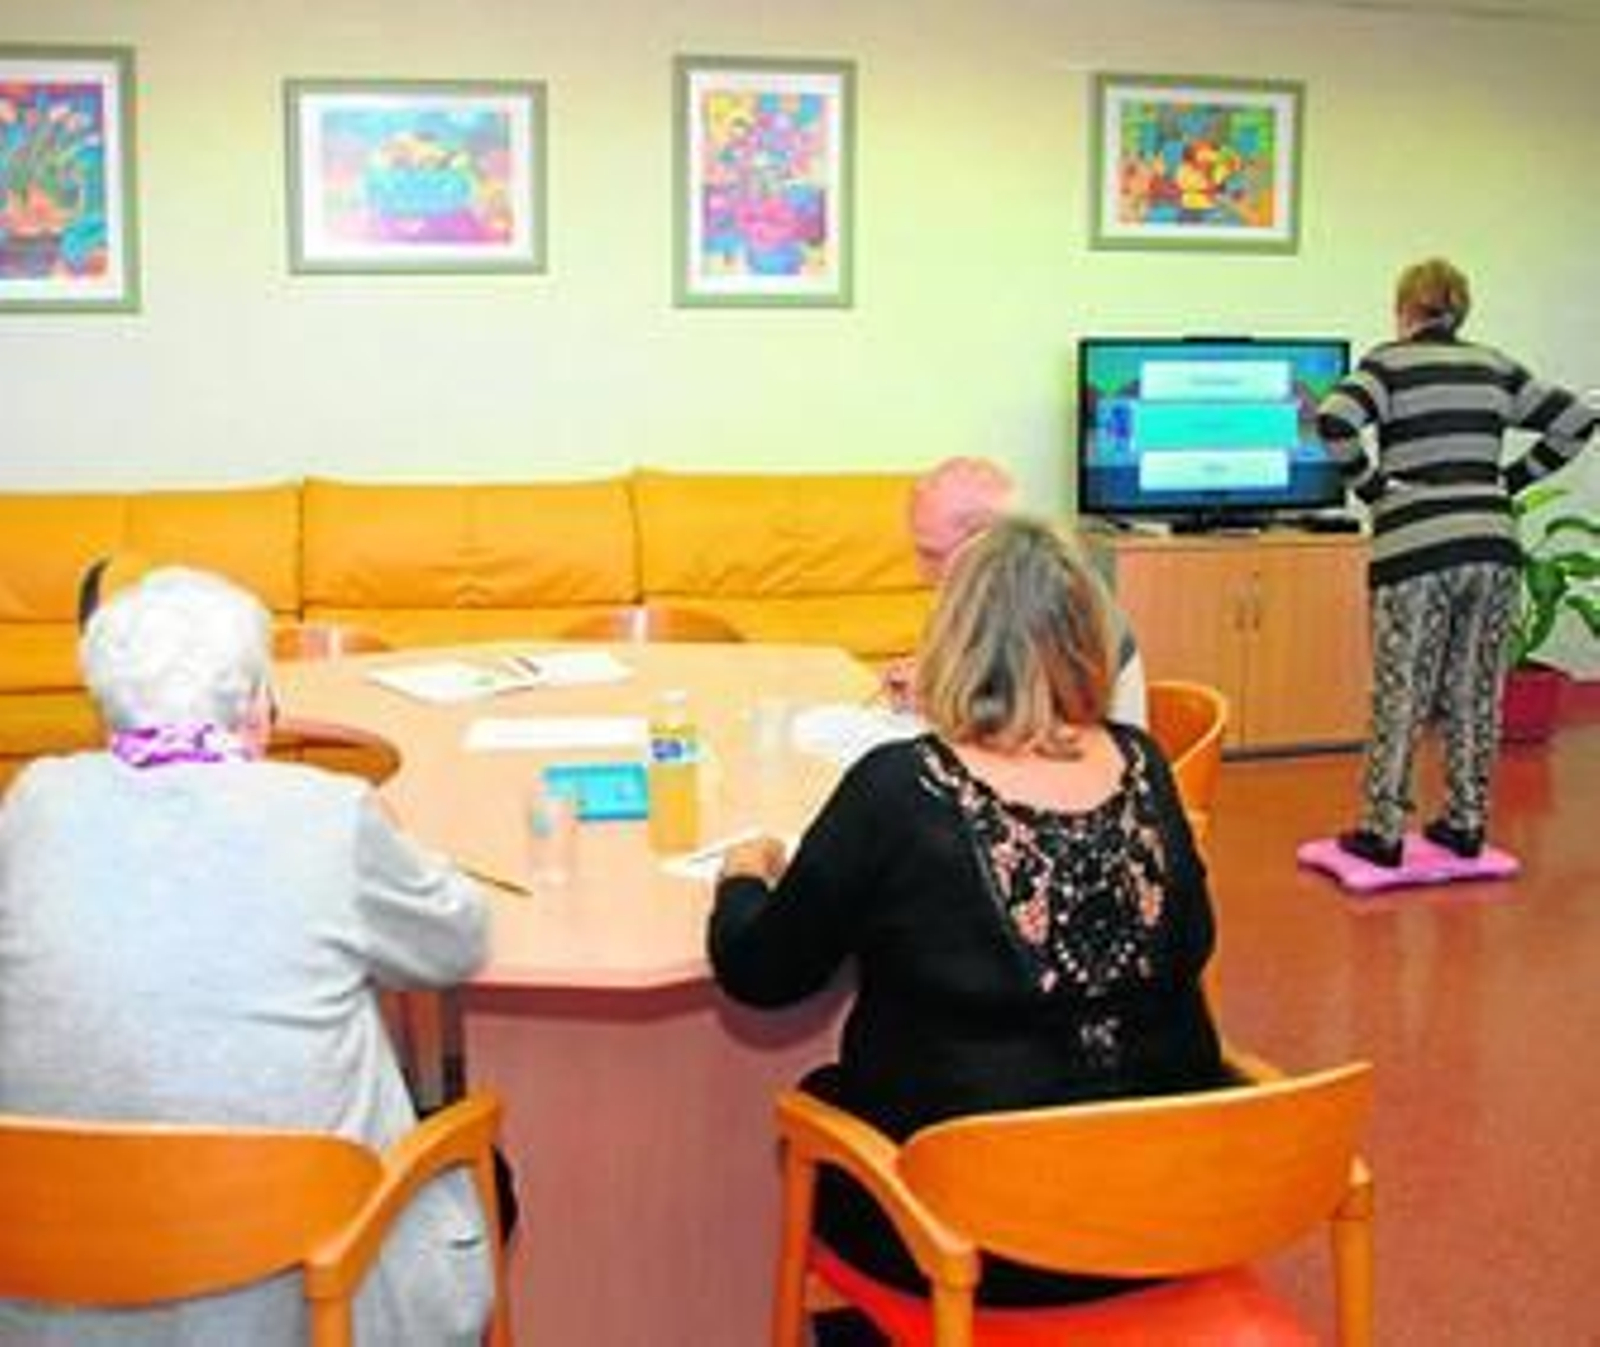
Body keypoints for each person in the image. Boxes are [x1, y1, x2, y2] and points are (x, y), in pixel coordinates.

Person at [710, 518, 1226, 1342]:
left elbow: (762, 971)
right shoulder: (1142, 762)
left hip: (974, 1245)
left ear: (951, 639)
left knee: (820, 1104)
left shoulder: (900, 789)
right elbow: (1194, 939)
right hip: (1167, 1212)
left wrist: (742, 874)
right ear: (1085, 638)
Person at [0, 566, 495, 1344]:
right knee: (458, 1141)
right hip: (298, 1294)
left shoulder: (34, 803)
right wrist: (395, 843)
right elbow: (456, 942)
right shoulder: (326, 813)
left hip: (60, 1291)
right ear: (258, 701)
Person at [1318, 257, 1597, 867]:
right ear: (1459, 309)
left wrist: (1371, 491)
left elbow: (1335, 418)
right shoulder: (1495, 366)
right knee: (1475, 689)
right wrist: (1509, 482)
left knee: (1403, 688)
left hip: (1415, 549)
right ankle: (1465, 824)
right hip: (1492, 548)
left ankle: (1382, 832)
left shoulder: (1387, 363)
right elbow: (1577, 419)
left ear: (1405, 308)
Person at [889, 456, 1149, 727]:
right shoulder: (989, 590)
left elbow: (1020, 726)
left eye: (932, 555)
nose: (922, 573)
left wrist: (938, 694)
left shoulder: (1049, 602)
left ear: (987, 544)